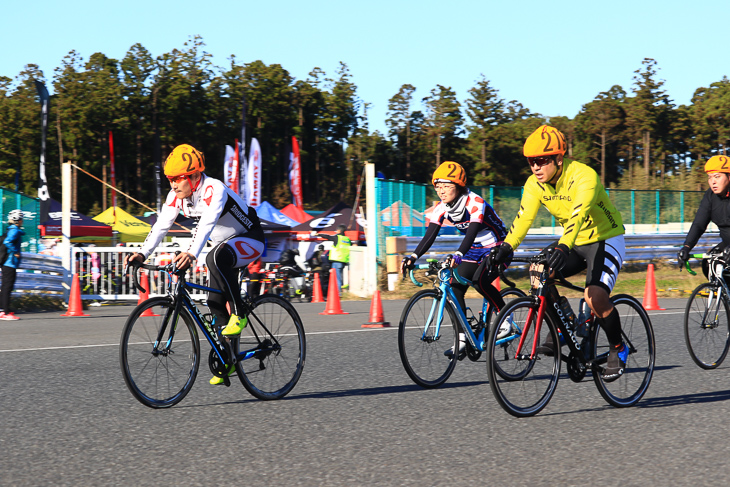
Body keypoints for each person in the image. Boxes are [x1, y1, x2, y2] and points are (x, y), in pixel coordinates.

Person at [487, 125, 627, 382]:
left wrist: (563, 246)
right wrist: (505, 247)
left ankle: (618, 348)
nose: (535, 167)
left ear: (559, 159)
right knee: (537, 271)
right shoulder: (534, 185)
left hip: (605, 238)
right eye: (531, 162)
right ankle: (564, 324)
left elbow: (579, 214)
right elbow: (523, 219)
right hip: (574, 241)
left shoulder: (584, 176)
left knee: (594, 296)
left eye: (541, 161)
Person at [125, 144, 265, 385]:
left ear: (194, 176)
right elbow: (161, 225)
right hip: (224, 245)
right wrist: (142, 254)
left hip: (250, 237)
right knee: (214, 302)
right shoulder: (176, 197)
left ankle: (240, 314)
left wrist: (191, 253)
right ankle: (227, 358)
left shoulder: (214, 189)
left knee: (215, 258)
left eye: (178, 179)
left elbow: (207, 224)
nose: (173, 185)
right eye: (170, 179)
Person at [401, 161, 511, 359]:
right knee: (454, 285)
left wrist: (458, 254)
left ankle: (505, 319)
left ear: (459, 186)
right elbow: (430, 235)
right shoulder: (442, 207)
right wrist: (414, 256)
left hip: (498, 246)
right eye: (438, 186)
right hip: (475, 249)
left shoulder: (474, 202)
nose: (441, 191)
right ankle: (462, 336)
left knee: (480, 280)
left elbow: (471, 232)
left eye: (447, 186)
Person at [677, 155, 730, 268]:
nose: (713, 182)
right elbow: (699, 224)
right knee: (709, 265)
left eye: (717, 176)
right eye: (710, 177)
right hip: (727, 244)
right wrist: (686, 247)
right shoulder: (710, 196)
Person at [0, 210, 25, 320]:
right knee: (7, 286)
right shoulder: (14, 230)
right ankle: (4, 312)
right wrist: (15, 251)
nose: (22, 221)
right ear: (18, 220)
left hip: (8, 262)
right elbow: (8, 242)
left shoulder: (12, 229)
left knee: (6, 286)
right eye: (21, 219)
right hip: (9, 262)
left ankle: (3, 310)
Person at [317, 224, 351, 293]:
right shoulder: (347, 239)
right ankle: (341, 291)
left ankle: (338, 293)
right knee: (340, 277)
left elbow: (328, 237)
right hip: (344, 261)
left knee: (336, 278)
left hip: (337, 260)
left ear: (339, 230)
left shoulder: (337, 237)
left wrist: (318, 234)